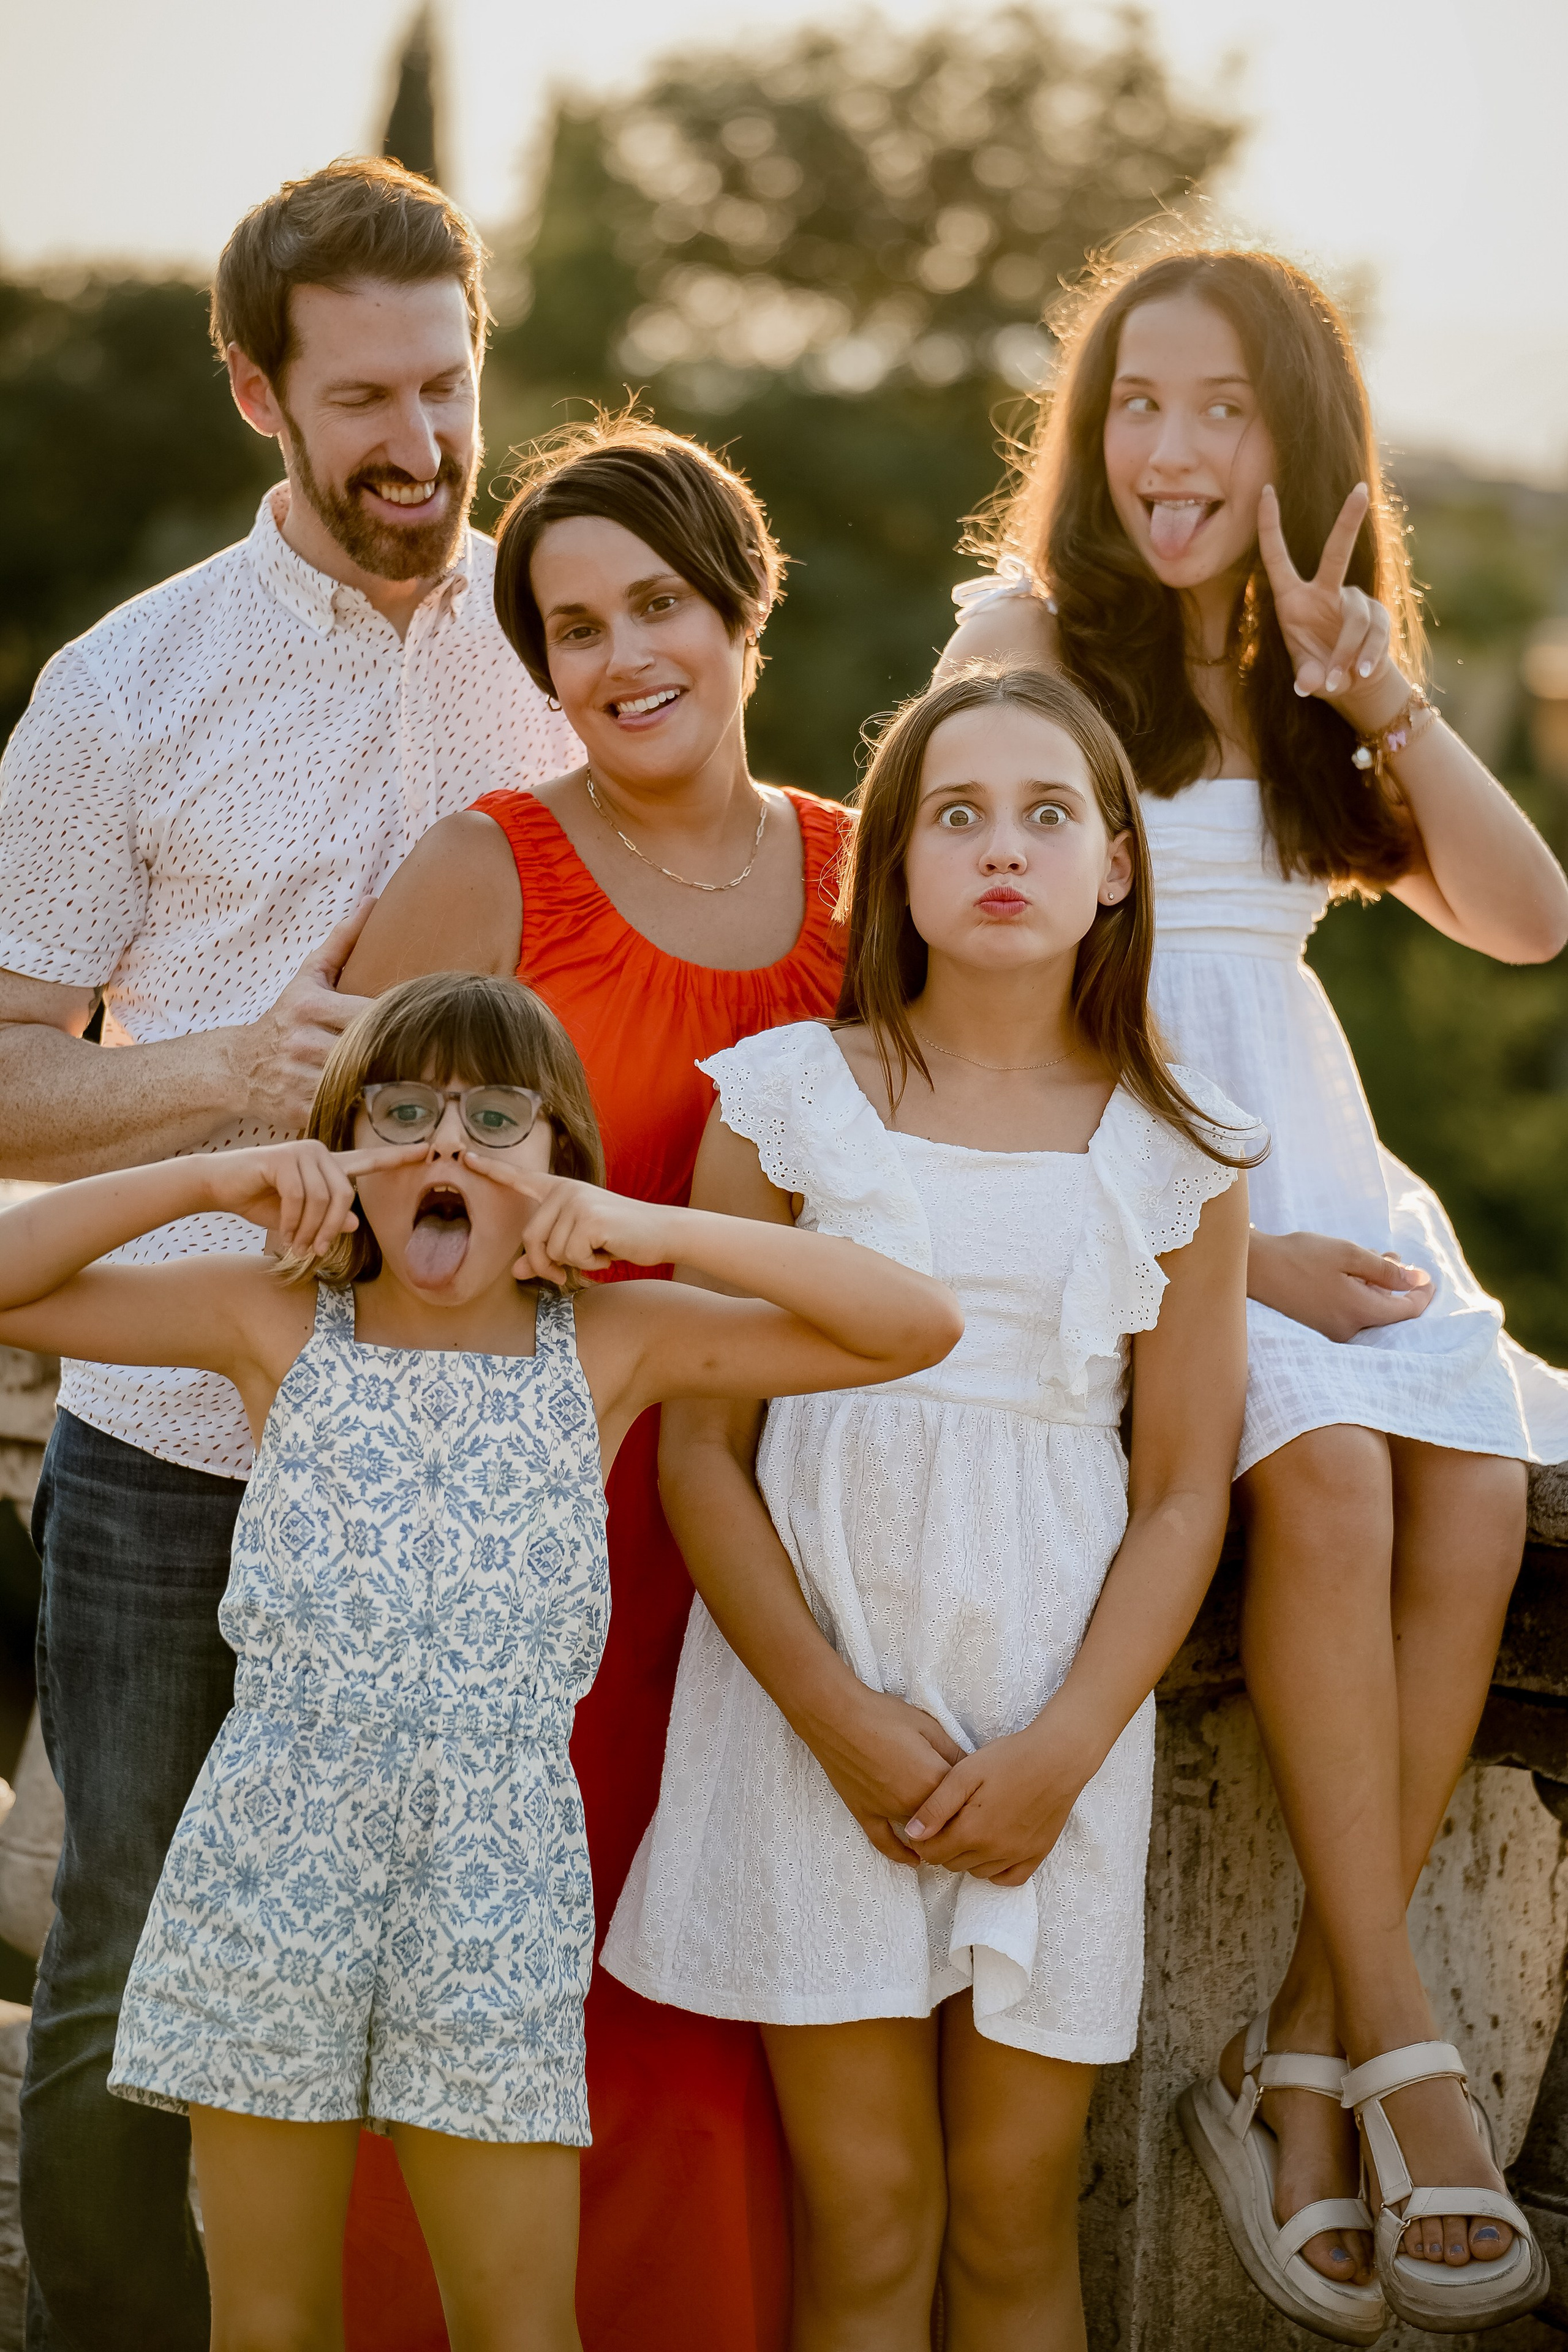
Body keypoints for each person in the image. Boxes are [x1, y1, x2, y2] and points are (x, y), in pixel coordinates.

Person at [0, 969, 960, 2352]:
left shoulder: (613, 1344)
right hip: (277, 1850)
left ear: (562, 1166)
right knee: (268, 2318)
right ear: (342, 1155)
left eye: (498, 1117)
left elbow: (911, 1325)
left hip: (496, 1869)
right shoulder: (268, 1322)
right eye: (402, 1112)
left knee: (516, 2321)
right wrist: (210, 1185)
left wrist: (644, 1227)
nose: (445, 1144)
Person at [938, 241, 1568, 2337]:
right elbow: (988, 963)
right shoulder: (1031, 638)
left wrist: (1370, 682)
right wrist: (1216, 1241)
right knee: (1337, 1487)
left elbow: (1528, 914)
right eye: (1136, 402)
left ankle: (1296, 2057)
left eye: (1222, 408)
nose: (1172, 449)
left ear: (1301, 440)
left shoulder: (1326, 671)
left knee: (1475, 1483)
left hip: (1322, 1157)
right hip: (1128, 1187)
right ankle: (1409, 2058)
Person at [0, 157, 578, 2346]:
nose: (422, 444)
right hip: (175, 1437)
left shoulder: (571, 639)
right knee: (140, 1945)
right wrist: (230, 1079)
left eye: (449, 384)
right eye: (364, 399)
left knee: (457, 1974)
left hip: (480, 1451)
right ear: (257, 394)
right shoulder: (122, 688)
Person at [602, 664, 1255, 2350]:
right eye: (955, 816)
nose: (1002, 850)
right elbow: (699, 1457)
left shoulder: (1180, 1154)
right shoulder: (784, 1105)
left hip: (1055, 1725)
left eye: (1048, 814)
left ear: (1117, 862)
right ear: (891, 866)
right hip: (811, 1714)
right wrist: (831, 1715)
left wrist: (1061, 1752)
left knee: (1016, 2220)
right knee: (874, 2213)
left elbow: (1183, 1494)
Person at [339, 415, 853, 2349]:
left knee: (708, 2035)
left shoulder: (864, 881)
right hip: (512, 1572)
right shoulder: (486, 874)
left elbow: (991, 1151)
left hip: (769, 1546)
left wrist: (1246, 1260)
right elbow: (356, 1237)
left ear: (741, 609)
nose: (625, 654)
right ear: (538, 665)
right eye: (572, 627)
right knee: (488, 2033)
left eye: (659, 603)